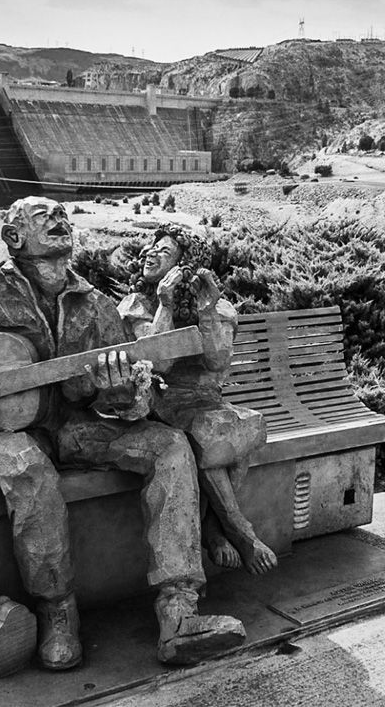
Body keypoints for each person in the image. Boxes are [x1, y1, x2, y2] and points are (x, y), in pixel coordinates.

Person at [0, 197, 246, 669]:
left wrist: (124, 397)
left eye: (61, 215)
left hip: (73, 429)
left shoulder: (98, 307)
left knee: (169, 445)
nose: (58, 220)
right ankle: (57, 612)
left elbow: (136, 395)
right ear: (13, 238)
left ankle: (178, 615)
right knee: (24, 464)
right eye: (42, 216)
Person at [118, 225, 276, 575]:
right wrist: (165, 305)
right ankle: (239, 532)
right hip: (161, 400)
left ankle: (216, 530)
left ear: (185, 266)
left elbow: (217, 363)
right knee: (209, 434)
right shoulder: (136, 305)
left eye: (164, 250)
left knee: (237, 433)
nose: (149, 252)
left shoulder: (218, 306)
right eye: (150, 247)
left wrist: (205, 312)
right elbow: (155, 363)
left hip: (206, 401)